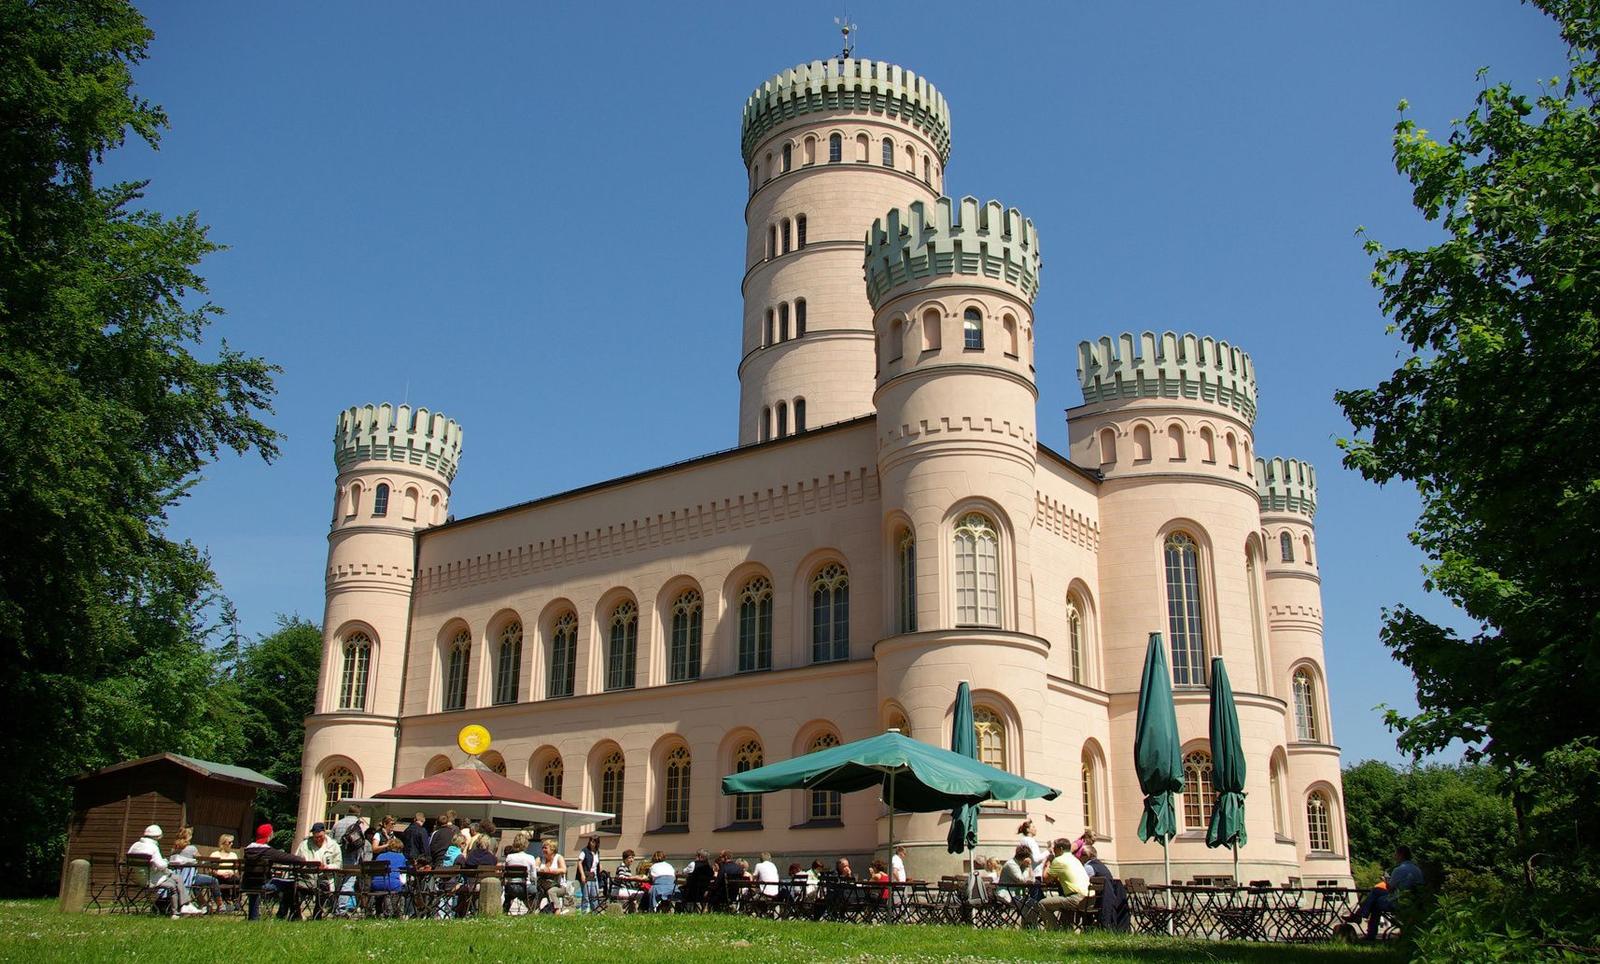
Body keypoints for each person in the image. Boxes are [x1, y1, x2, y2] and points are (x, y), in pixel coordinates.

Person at [1345, 846, 1423, 940]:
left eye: (1396, 854)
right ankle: (1360, 915)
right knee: (1376, 892)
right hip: (1412, 900)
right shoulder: (1417, 870)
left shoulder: (1399, 870)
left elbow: (1390, 889)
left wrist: (1386, 881)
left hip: (1398, 901)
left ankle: (1366, 926)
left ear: (1401, 855)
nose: (1395, 857)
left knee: (1375, 901)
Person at [127, 824, 201, 916]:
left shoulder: (135, 845)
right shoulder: (153, 847)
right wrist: (165, 861)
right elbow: (161, 865)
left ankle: (186, 905)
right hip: (151, 879)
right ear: (157, 836)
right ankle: (176, 911)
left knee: (177, 878)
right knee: (173, 884)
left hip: (136, 878)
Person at [242, 823, 311, 921]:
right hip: (263, 884)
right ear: (268, 836)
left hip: (247, 884)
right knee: (291, 884)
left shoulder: (247, 850)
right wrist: (301, 859)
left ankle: (253, 918)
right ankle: (289, 915)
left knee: (255, 886)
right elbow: (286, 858)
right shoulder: (267, 851)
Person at [1035, 838, 1091, 930]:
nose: (1053, 850)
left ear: (1060, 849)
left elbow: (1046, 879)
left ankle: (1055, 931)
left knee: (1042, 904)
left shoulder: (1059, 860)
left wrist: (1048, 862)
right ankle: (1066, 930)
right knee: (1064, 902)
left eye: (1054, 848)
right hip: (1089, 899)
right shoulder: (1075, 860)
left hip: (1076, 899)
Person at [169, 827, 219, 912]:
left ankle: (203, 905)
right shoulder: (192, 849)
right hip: (189, 878)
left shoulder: (174, 850)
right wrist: (209, 864)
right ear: (188, 838)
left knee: (197, 885)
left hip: (176, 879)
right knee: (214, 880)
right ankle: (220, 905)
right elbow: (201, 861)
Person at [368, 838, 408, 915]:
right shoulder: (401, 857)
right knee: (404, 887)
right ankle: (398, 911)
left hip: (375, 885)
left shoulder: (380, 856)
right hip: (392, 885)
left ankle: (378, 911)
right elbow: (404, 871)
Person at [535, 838, 574, 913]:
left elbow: (564, 870)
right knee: (535, 891)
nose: (543, 850)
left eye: (545, 848)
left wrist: (550, 870)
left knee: (551, 891)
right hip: (543, 885)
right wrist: (540, 869)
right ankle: (534, 910)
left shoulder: (559, 858)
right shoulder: (540, 858)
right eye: (542, 848)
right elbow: (534, 868)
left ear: (552, 849)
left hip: (559, 886)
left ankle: (557, 910)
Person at [502, 833, 537, 914]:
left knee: (509, 896)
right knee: (535, 890)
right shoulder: (530, 858)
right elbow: (534, 877)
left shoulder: (509, 857)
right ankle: (532, 910)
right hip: (525, 888)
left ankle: (505, 910)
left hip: (510, 887)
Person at [575, 834, 601, 912]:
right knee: (586, 895)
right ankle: (584, 912)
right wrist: (582, 875)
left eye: (593, 841)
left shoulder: (597, 852)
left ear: (597, 843)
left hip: (594, 876)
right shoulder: (585, 851)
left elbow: (597, 863)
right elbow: (579, 862)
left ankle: (595, 912)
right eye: (590, 841)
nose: (591, 843)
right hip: (586, 875)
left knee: (594, 895)